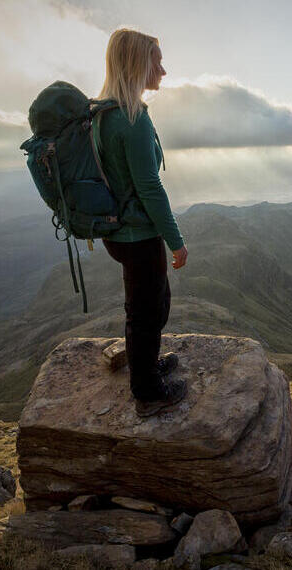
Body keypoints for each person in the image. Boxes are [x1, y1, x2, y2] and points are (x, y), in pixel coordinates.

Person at [96, 28, 188, 417]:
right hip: (138, 232)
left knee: (151, 305)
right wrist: (176, 241)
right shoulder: (132, 119)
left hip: (119, 231)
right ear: (138, 64)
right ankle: (147, 392)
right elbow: (149, 187)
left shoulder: (105, 112)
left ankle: (145, 363)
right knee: (147, 309)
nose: (163, 71)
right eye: (156, 61)